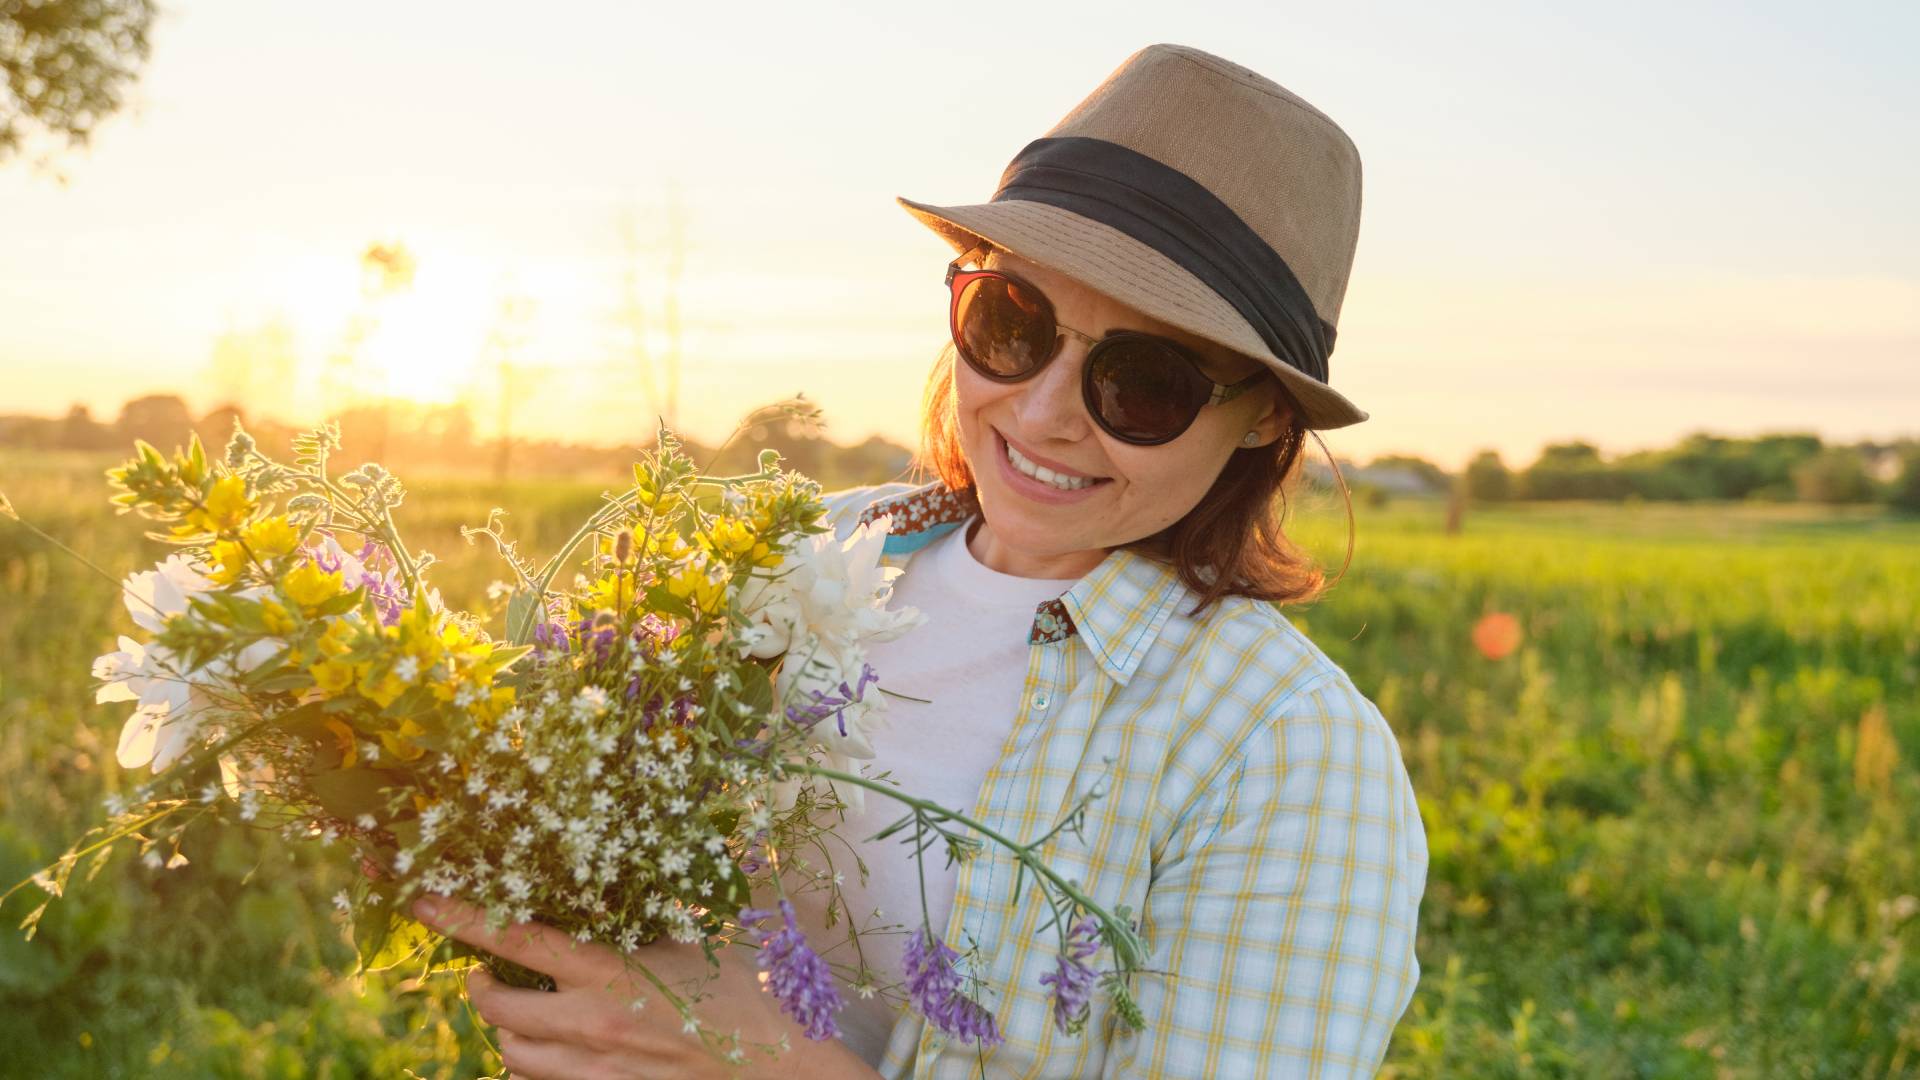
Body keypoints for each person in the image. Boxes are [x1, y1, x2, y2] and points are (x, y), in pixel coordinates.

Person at [417, 42, 1428, 1079]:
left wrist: (766, 1063)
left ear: (1264, 418)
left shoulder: (1287, 750)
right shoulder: (816, 546)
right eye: (1012, 322)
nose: (1041, 415)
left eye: (1144, 384)